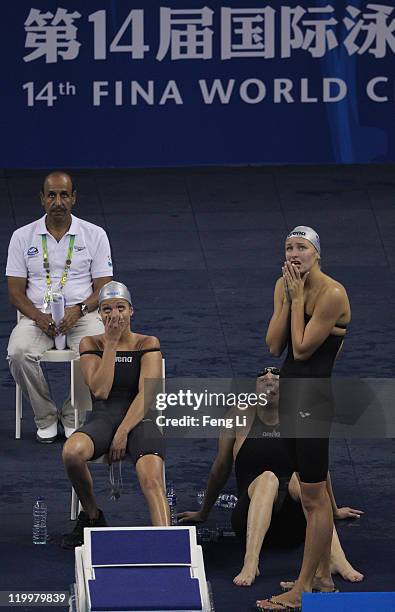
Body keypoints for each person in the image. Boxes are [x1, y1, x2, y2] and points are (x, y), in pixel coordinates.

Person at [178, 368, 363, 588]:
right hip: (249, 521)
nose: (268, 381)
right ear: (254, 389)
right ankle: (250, 561)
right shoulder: (237, 416)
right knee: (268, 478)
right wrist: (203, 512)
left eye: (275, 379)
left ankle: (337, 558)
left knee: (300, 477)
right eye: (262, 379)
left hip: (294, 529)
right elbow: (220, 468)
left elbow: (318, 472)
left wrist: (332, 510)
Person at [257, 226, 352, 611]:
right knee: (311, 494)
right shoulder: (284, 286)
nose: (294, 254)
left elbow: (300, 349)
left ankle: (302, 592)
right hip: (291, 399)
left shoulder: (332, 293)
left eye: (302, 248)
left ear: (317, 255)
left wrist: (297, 301)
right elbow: (273, 344)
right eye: (288, 247)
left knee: (314, 499)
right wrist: (286, 299)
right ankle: (323, 578)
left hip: (313, 399)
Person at [6, 171, 113, 443]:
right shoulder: (22, 236)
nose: (58, 201)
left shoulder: (94, 234)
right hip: (36, 316)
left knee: (99, 353)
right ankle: (45, 416)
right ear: (42, 199)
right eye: (51, 195)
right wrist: (39, 317)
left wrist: (79, 310)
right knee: (17, 353)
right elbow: (15, 292)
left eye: (64, 194)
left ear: (74, 198)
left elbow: (104, 286)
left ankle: (71, 415)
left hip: (82, 314)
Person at [61, 281, 169, 549]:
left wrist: (122, 433)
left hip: (141, 420)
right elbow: (101, 390)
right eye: (107, 309)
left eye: (120, 307)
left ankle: (168, 542)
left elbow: (147, 395)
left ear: (131, 311)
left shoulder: (147, 342)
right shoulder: (90, 343)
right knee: (71, 453)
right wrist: (110, 344)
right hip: (103, 418)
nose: (114, 314)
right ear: (100, 315)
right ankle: (93, 515)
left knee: (151, 474)